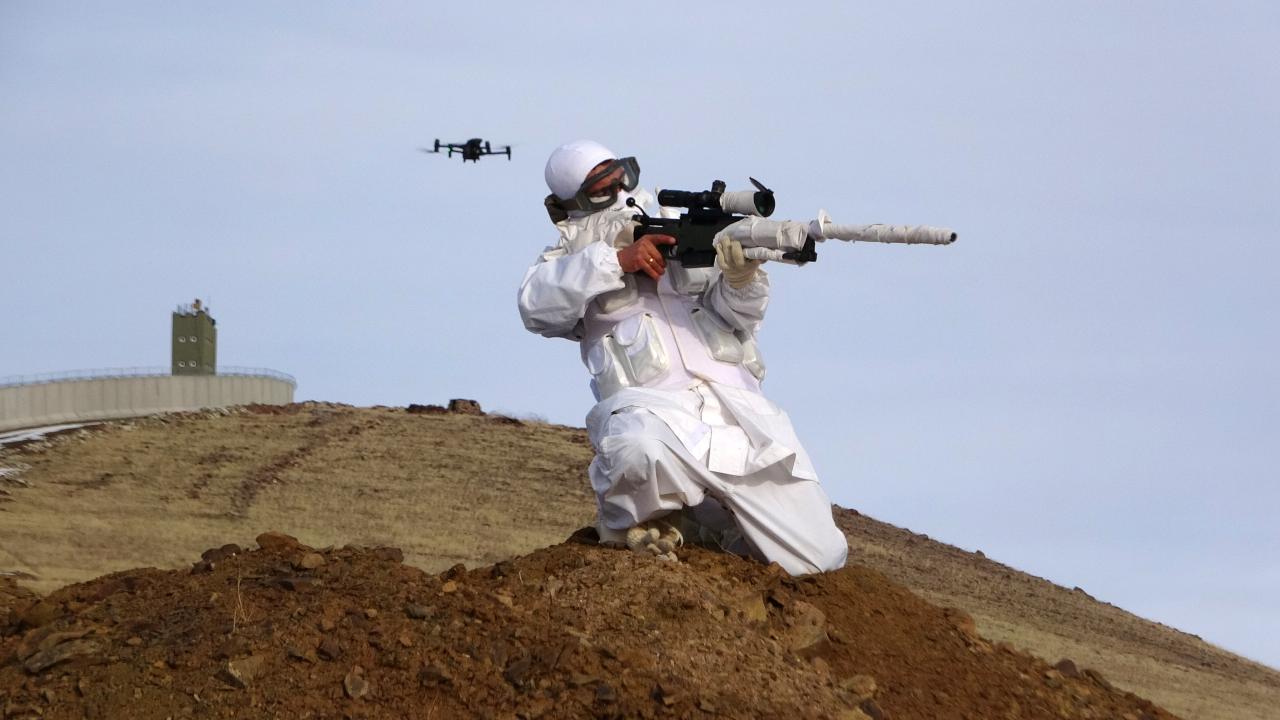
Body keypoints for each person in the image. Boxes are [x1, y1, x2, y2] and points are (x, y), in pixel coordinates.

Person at [518, 140, 847, 575]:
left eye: (623, 177)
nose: (620, 191)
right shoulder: (567, 259)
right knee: (636, 450)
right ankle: (636, 526)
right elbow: (536, 306)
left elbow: (738, 318)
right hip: (651, 410)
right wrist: (618, 260)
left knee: (819, 557)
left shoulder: (681, 224)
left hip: (737, 411)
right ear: (573, 201)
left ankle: (709, 533)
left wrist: (741, 277)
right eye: (602, 188)